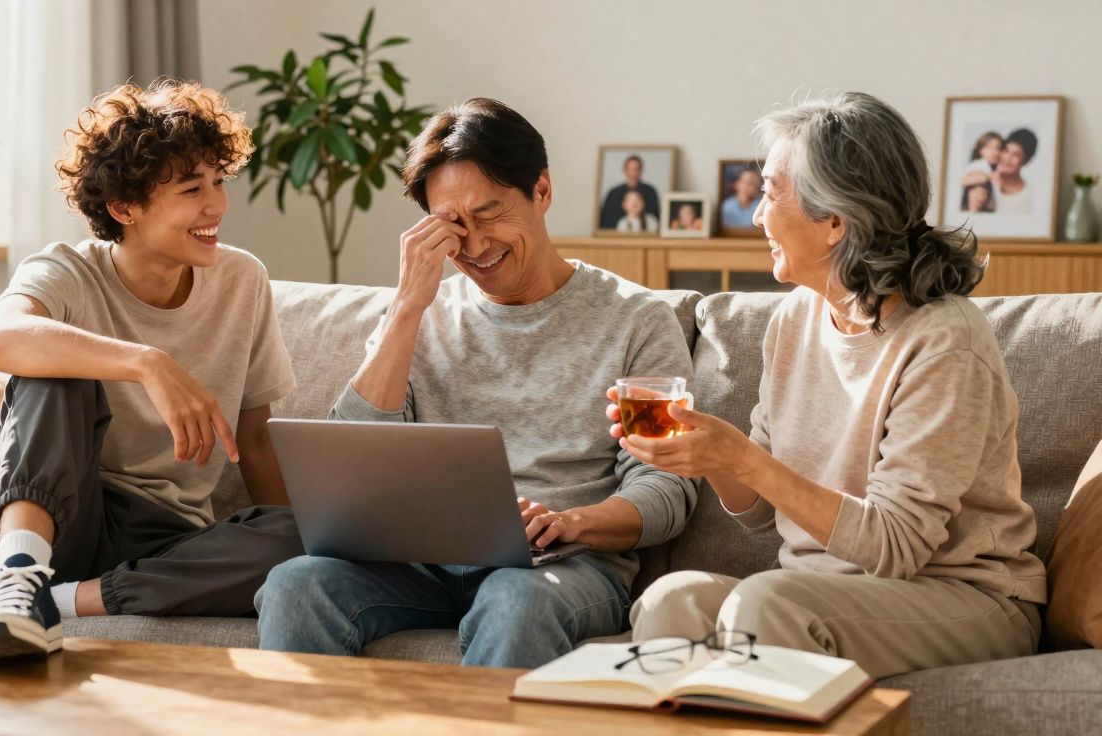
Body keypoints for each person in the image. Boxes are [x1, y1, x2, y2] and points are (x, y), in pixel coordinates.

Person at [255, 98, 696, 669]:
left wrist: (571, 523)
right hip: (420, 569)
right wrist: (407, 306)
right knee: (296, 584)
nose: (476, 245)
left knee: (515, 599)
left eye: (489, 214)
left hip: (561, 570)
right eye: (453, 225)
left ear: (541, 191)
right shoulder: (417, 314)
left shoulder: (637, 321)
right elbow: (349, 464)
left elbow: (666, 488)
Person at [620, 92, 1045, 679]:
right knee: (673, 599)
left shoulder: (945, 341)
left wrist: (741, 456)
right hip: (821, 592)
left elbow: (897, 546)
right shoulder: (793, 318)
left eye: (771, 193)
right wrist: (709, 455)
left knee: (769, 603)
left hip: (964, 598)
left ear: (836, 223)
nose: (757, 216)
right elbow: (759, 513)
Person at [0, 80, 305, 660]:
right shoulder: (66, 271)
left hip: (160, 534)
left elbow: (256, 441)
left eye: (219, 181)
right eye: (192, 188)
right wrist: (147, 363)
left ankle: (29, 598)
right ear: (123, 207)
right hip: (41, 510)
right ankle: (17, 571)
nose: (217, 206)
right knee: (56, 367)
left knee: (302, 542)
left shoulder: (243, 281)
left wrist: (300, 541)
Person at [963, 128, 1036, 215]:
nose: (1007, 158)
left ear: (1026, 161)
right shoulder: (979, 173)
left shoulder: (1030, 196)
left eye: (1016, 155)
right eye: (1006, 150)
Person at [599, 154, 661, 229]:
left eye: (636, 169)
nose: (633, 173)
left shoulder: (650, 192)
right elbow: (605, 222)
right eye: (630, 169)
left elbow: (658, 220)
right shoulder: (613, 193)